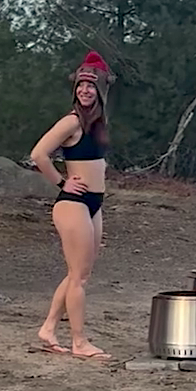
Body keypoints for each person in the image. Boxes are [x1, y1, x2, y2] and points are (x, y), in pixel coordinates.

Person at [30, 50, 116, 360]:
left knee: (79, 273)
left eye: (91, 86)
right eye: (80, 85)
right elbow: (38, 154)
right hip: (73, 203)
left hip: (94, 203)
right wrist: (60, 182)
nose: (85, 90)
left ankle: (49, 328)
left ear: (101, 90)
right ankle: (80, 342)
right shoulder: (71, 122)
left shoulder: (97, 124)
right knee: (78, 276)